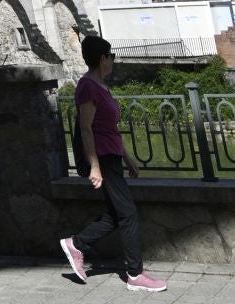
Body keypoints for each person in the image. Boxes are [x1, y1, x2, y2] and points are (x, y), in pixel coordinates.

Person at [60, 35, 166, 292]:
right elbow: (86, 129)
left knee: (118, 213)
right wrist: (94, 166)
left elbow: (110, 129)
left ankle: (77, 244)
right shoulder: (87, 86)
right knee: (127, 213)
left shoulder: (102, 86)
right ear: (102, 58)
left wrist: (128, 158)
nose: (113, 60)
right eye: (111, 56)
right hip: (103, 160)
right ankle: (135, 273)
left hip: (112, 157)